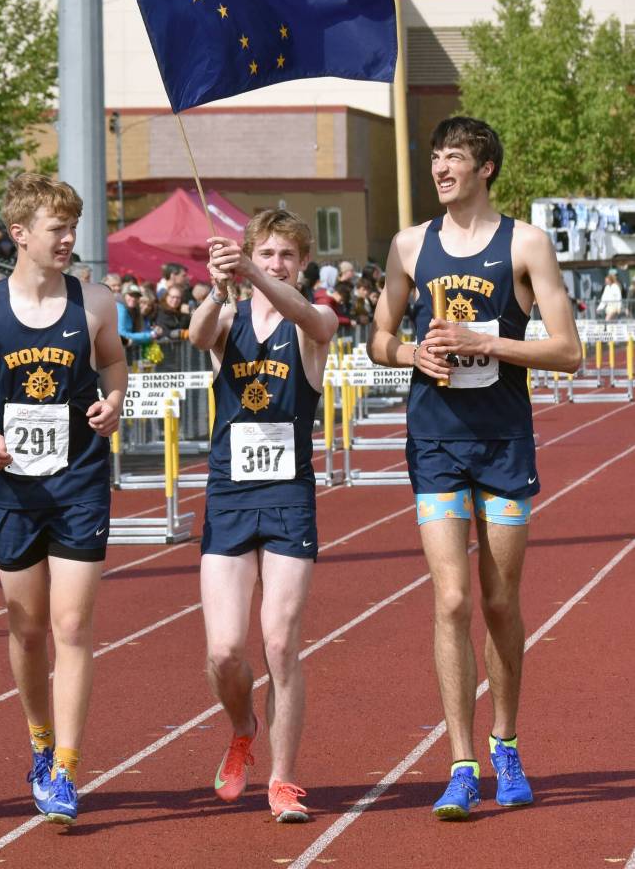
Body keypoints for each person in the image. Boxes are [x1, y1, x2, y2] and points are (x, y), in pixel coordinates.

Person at [367, 117, 582, 820]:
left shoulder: (525, 244)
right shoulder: (409, 245)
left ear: (485, 167)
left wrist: (482, 342)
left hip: (502, 444)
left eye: (454, 157)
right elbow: (378, 336)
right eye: (435, 158)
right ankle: (461, 762)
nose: (440, 169)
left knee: (497, 601)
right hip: (434, 442)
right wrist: (411, 356)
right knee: (452, 600)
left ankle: (507, 741)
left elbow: (568, 351)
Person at [0, 171, 126, 825]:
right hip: (14, 488)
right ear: (20, 234)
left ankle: (69, 768)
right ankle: (41, 743)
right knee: (27, 629)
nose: (69, 238)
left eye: (72, 227)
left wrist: (113, 403)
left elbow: (114, 362)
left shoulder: (94, 302)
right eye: (57, 228)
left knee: (72, 626)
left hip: (77, 480)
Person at [187, 209, 338, 823]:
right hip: (228, 495)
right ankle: (242, 723)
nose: (276, 264)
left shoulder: (313, 321)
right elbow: (198, 336)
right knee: (225, 652)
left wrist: (251, 271)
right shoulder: (227, 318)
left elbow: (310, 317)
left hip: (287, 498)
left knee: (279, 642)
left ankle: (283, 778)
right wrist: (218, 286)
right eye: (266, 254)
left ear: (300, 264)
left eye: (286, 257)